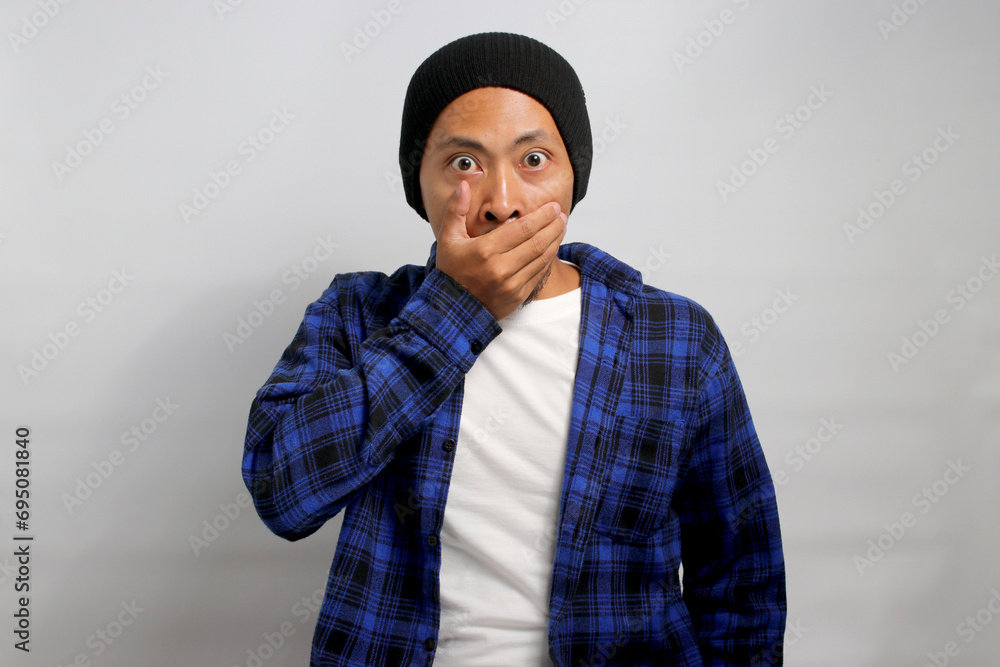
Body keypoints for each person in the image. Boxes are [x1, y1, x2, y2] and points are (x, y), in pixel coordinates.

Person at [243, 32, 786, 666]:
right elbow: (282, 495)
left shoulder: (675, 339)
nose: (502, 203)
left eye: (533, 160)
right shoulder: (356, 315)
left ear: (573, 176)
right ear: (419, 184)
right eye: (464, 163)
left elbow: (743, 585)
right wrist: (455, 311)